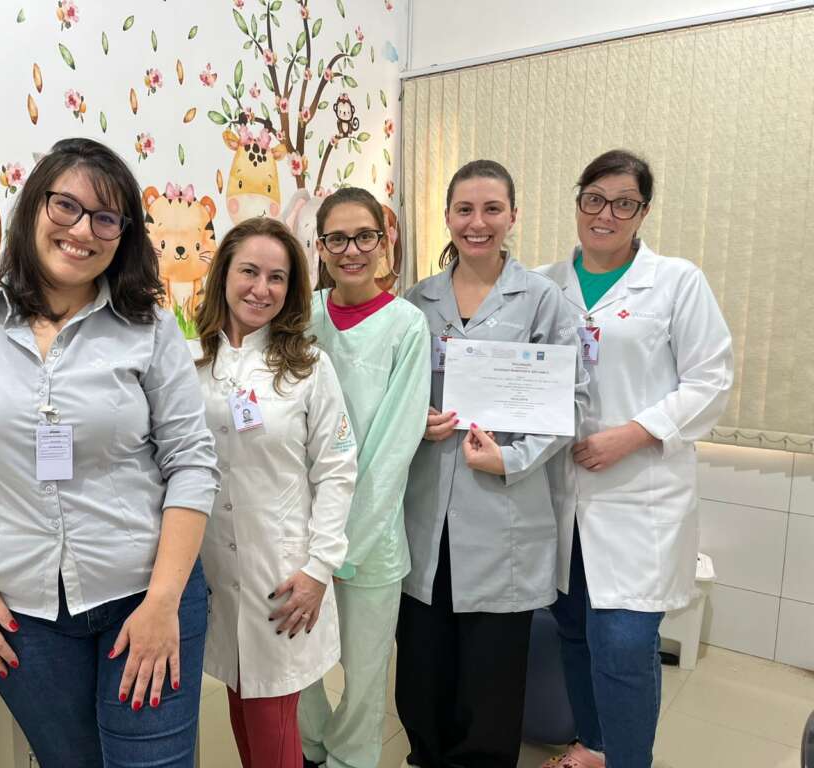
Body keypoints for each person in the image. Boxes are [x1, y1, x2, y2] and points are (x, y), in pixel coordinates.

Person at [0, 138, 219, 768]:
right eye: (66, 206)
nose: (83, 230)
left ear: (123, 235)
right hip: (20, 613)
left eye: (106, 218)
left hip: (144, 595)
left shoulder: (149, 328)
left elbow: (191, 463)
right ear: (33, 207)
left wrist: (163, 601)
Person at [537, 149, 733, 768]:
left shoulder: (676, 281)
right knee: (573, 628)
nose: (606, 214)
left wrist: (634, 434)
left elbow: (711, 380)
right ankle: (592, 745)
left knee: (622, 644)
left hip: (638, 492)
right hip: (560, 493)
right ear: (577, 202)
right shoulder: (544, 284)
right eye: (594, 198)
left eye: (624, 203)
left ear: (643, 212)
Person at [398, 160, 589, 768]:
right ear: (447, 217)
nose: (476, 223)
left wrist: (511, 457)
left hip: (502, 507)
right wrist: (415, 421)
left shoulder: (544, 301)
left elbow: (570, 400)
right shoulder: (417, 301)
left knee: (491, 677)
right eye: (464, 210)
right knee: (423, 668)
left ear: (513, 216)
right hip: (427, 511)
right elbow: (394, 393)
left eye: (491, 209)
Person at [194, 216, 356, 768]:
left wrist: (319, 569)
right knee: (242, 709)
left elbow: (337, 469)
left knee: (272, 723)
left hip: (283, 577)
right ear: (224, 275)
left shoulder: (309, 367)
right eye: (249, 272)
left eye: (277, 277)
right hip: (217, 574)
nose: (261, 289)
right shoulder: (195, 362)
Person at [298, 187, 431, 768]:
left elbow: (395, 443)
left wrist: (345, 537)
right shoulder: (300, 316)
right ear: (320, 246)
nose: (351, 250)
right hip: (298, 525)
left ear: (384, 240)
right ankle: (309, 746)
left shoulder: (407, 326)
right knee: (297, 659)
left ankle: (350, 757)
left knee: (366, 666)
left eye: (364, 237)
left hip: (370, 533)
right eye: (337, 239)